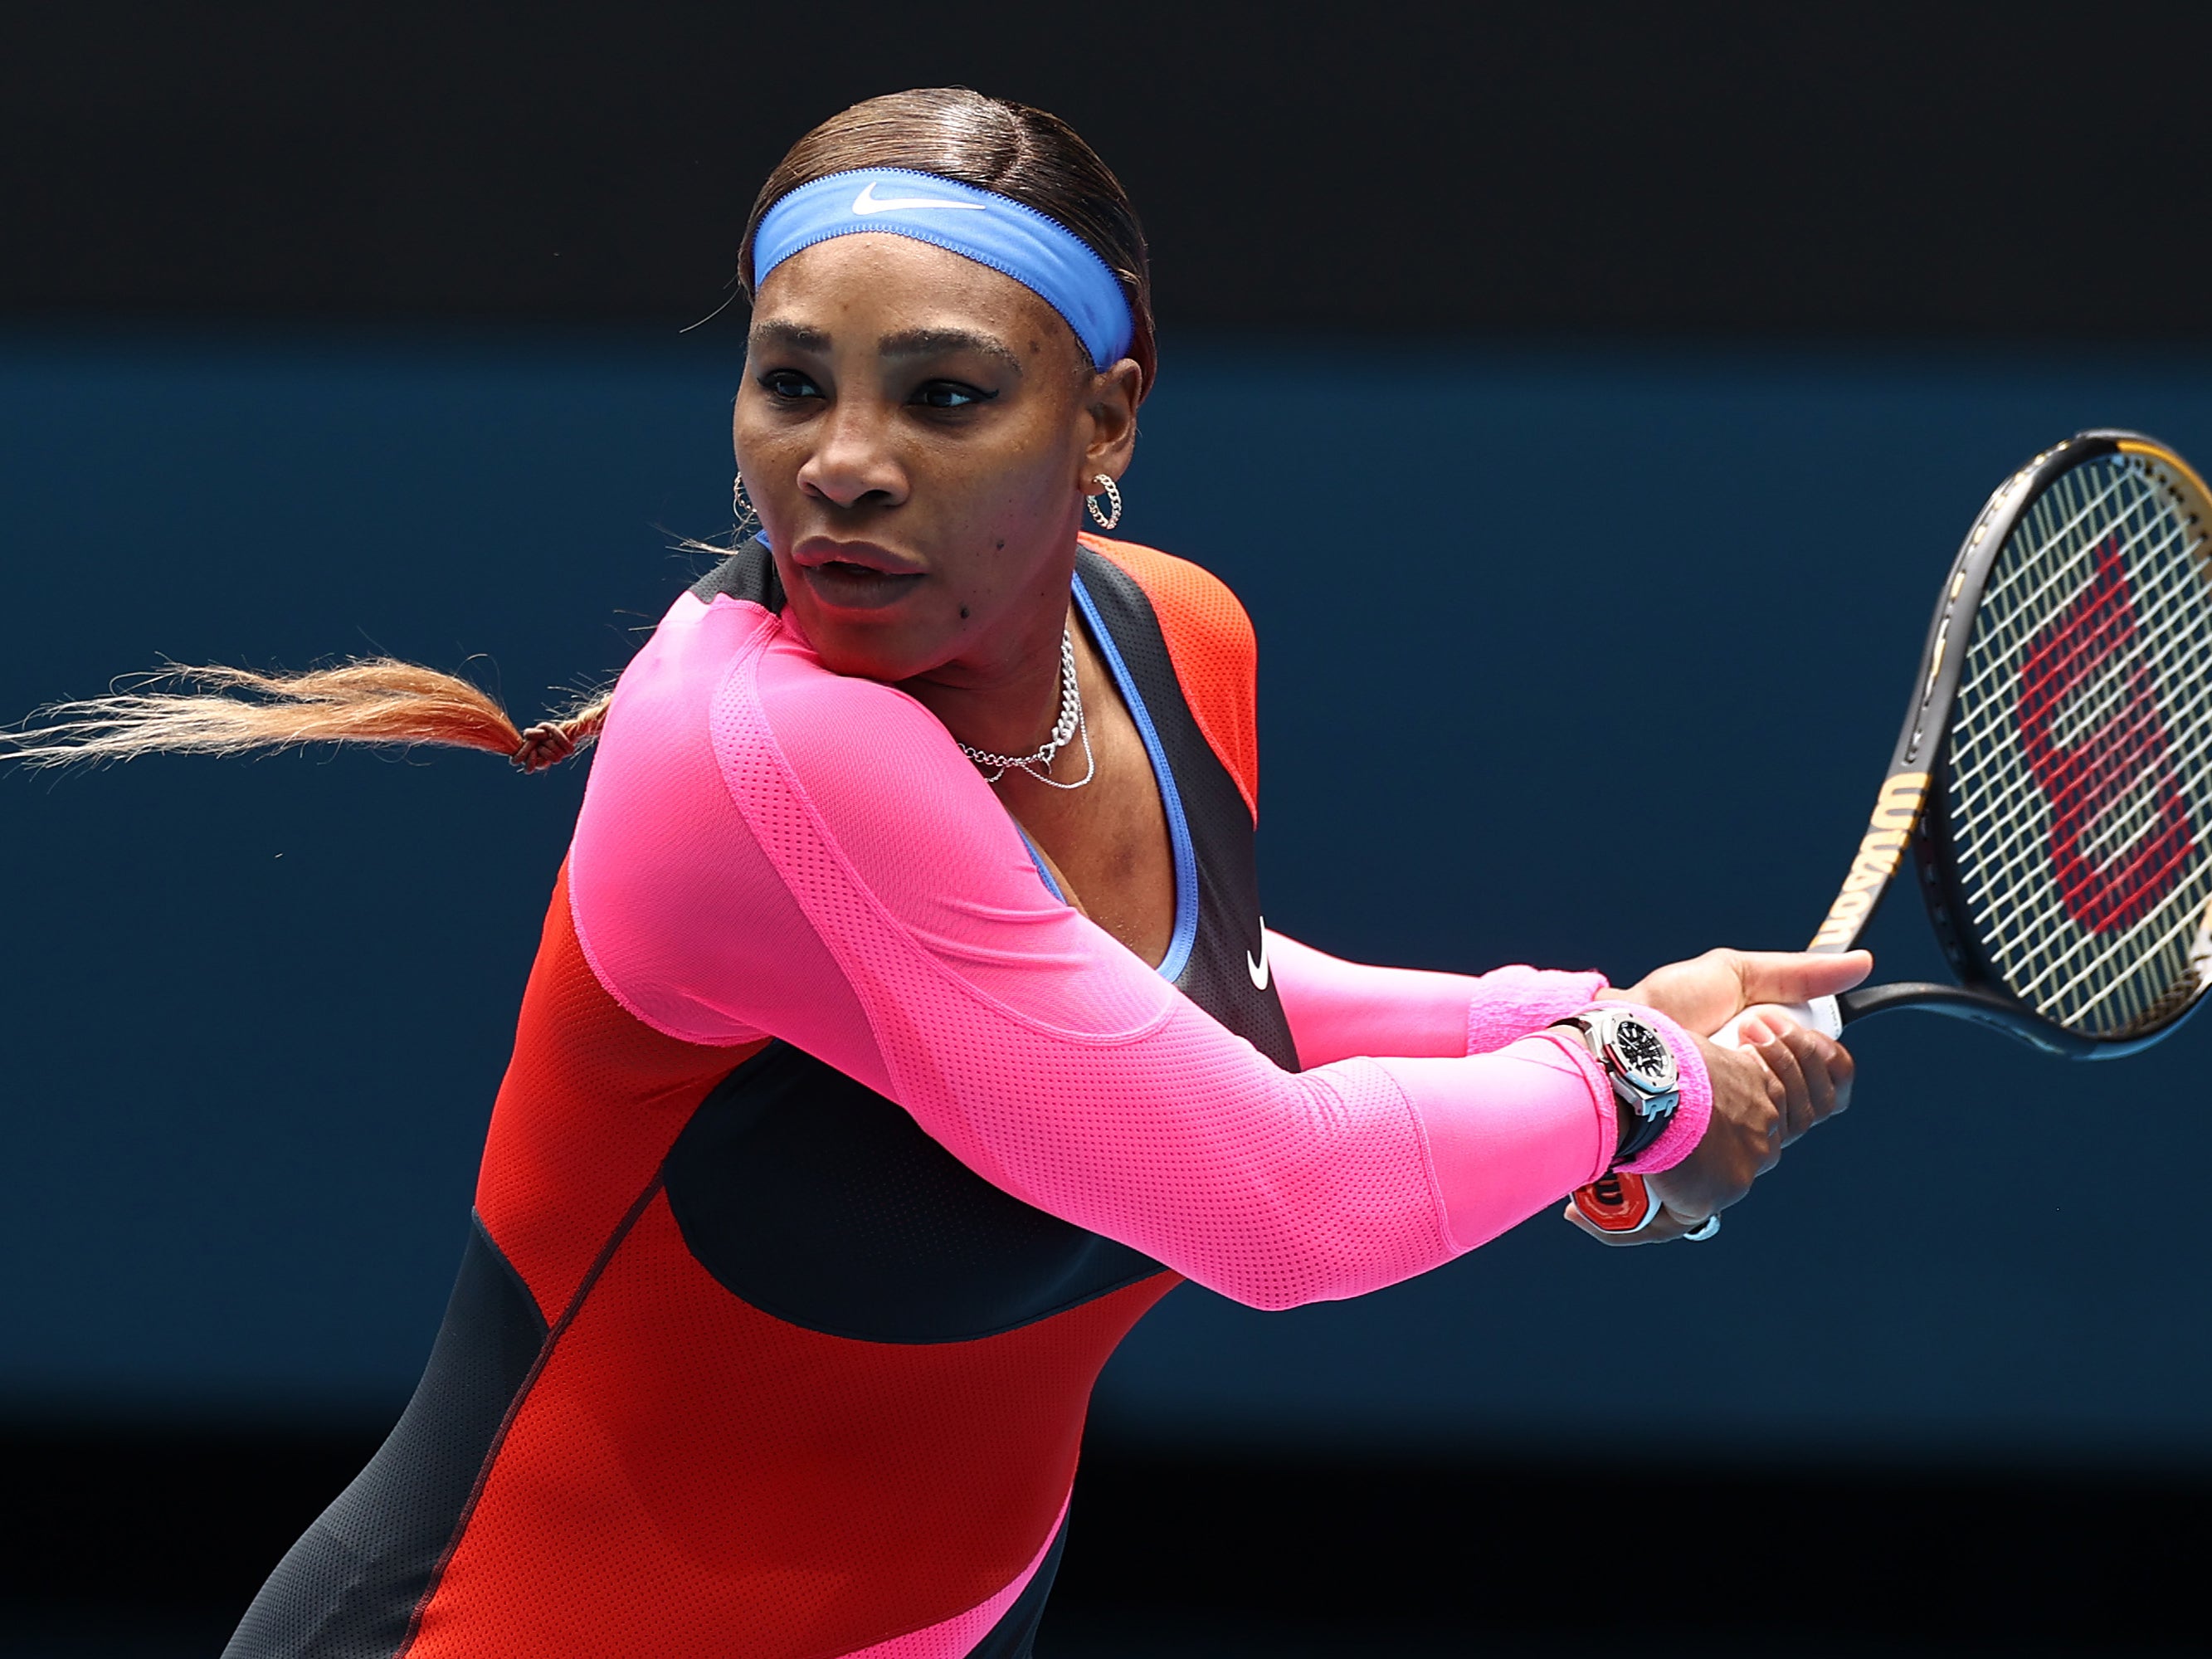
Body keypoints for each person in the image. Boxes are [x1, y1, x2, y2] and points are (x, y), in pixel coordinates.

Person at [10, 87, 1864, 1659]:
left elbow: (1193, 1004)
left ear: (1108, 420)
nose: (841, 467)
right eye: (790, 384)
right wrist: (1629, 1089)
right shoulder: (766, 753)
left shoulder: (1172, 639)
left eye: (945, 398)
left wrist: (1575, 1021)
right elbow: (1272, 1202)